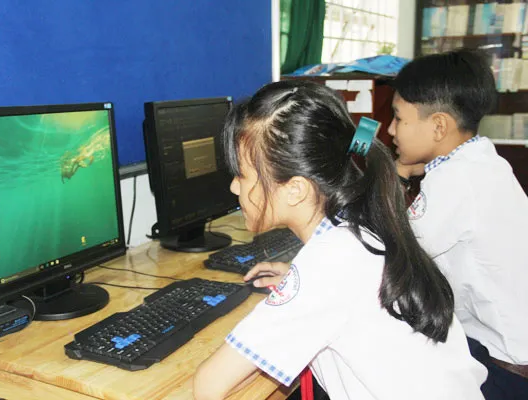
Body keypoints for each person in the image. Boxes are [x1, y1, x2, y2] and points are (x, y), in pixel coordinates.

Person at [192, 80, 486, 400]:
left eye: (243, 175)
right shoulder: (362, 226)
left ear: (295, 190)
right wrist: (298, 281)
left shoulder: (330, 264)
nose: (234, 187)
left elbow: (208, 385)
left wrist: (304, 285)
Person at [388, 48, 528, 399]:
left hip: (505, 370)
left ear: (438, 126)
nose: (390, 130)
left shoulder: (456, 182)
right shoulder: (482, 162)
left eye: (398, 119)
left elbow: (388, 257)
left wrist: (397, 176)